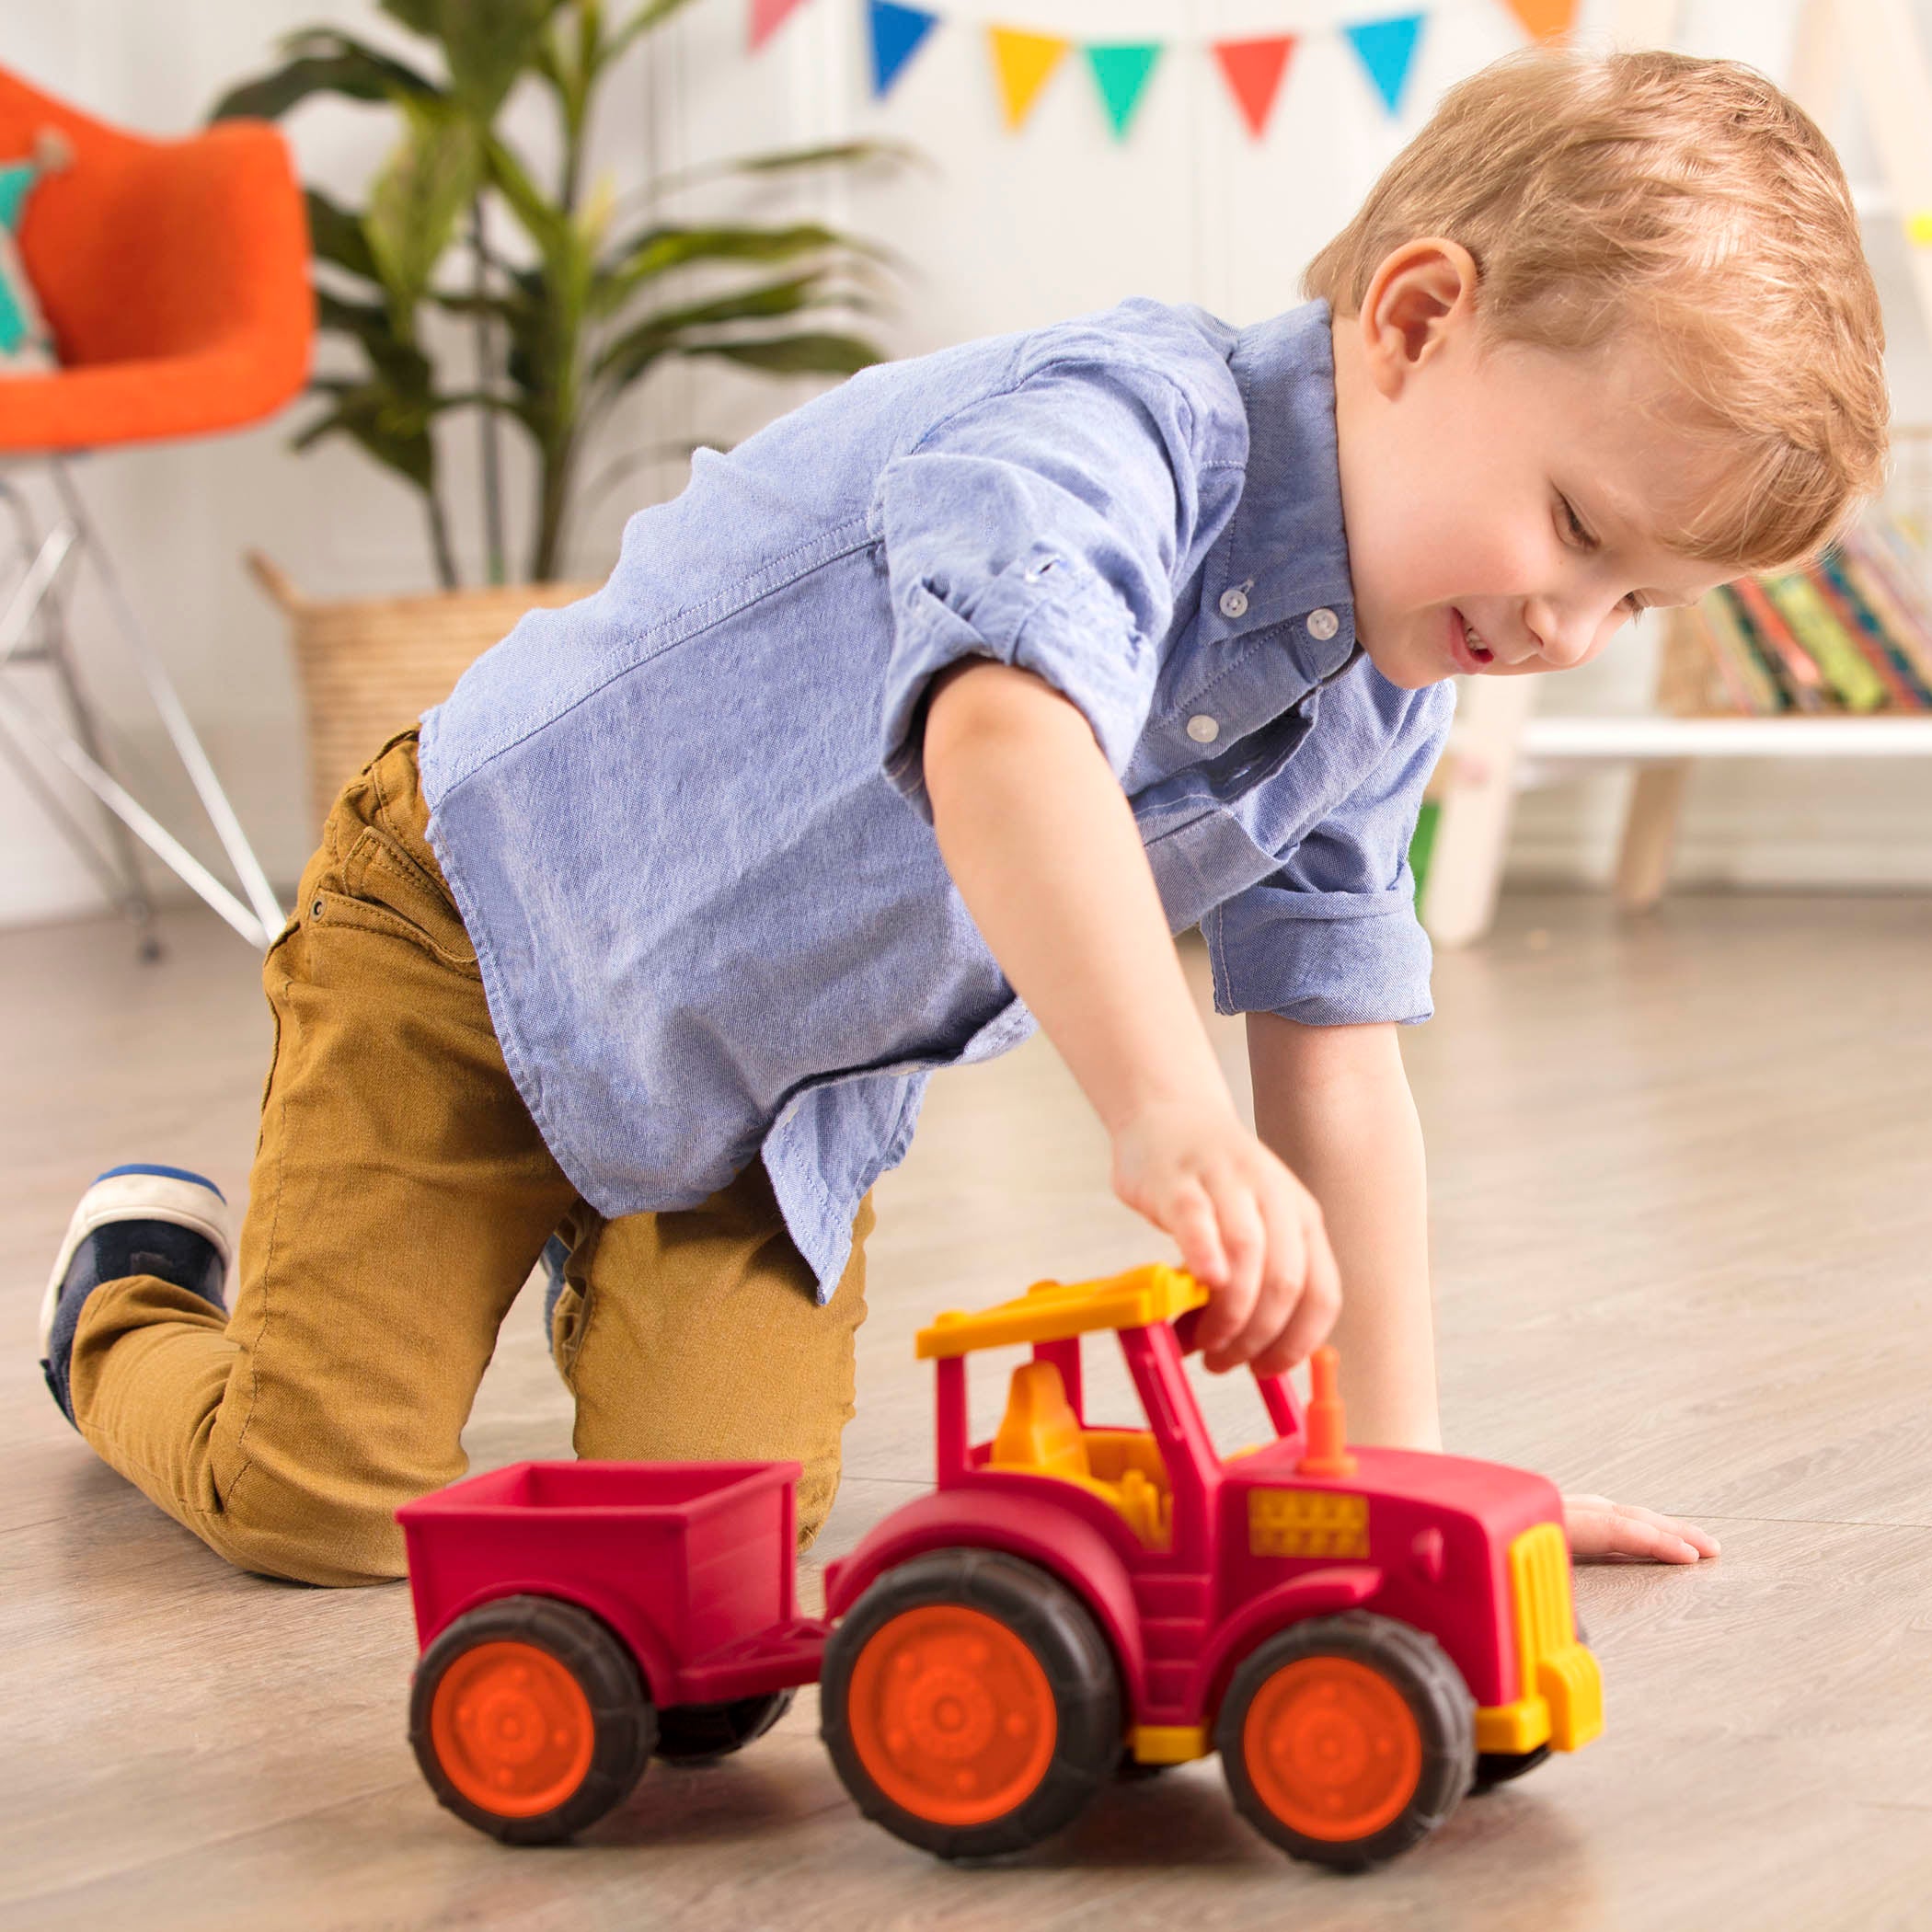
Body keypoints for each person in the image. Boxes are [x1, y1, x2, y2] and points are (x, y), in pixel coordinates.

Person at [38, 46, 1884, 1586]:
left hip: (761, 1107)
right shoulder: (1114, 433)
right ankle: (130, 1295)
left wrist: (1405, 1496)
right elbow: (1005, 743)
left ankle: (581, 1282)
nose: (1566, 633)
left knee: (730, 1562)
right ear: (1413, 319)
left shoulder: (1389, 682)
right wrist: (1160, 1108)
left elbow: (1338, 1062)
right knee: (326, 1511)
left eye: (1634, 600)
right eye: (1574, 529)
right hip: (484, 935)